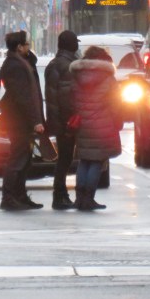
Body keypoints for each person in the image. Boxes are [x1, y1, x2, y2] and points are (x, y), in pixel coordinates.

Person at [0, 31, 46, 211]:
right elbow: (23, 97)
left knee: (24, 159)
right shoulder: (14, 66)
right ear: (19, 47)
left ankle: (20, 195)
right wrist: (35, 121)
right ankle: (9, 197)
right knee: (17, 159)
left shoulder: (21, 63)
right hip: (18, 121)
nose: (29, 48)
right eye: (26, 45)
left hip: (22, 120)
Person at [70, 45, 122, 211]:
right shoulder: (108, 78)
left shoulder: (77, 76)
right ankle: (89, 198)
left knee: (84, 160)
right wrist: (118, 122)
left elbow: (72, 98)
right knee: (96, 162)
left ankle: (79, 198)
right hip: (103, 124)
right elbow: (116, 104)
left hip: (83, 124)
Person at [44, 30, 79, 210]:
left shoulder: (57, 64)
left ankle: (61, 194)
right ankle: (59, 195)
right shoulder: (66, 66)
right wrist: (65, 122)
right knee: (64, 159)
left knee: (65, 159)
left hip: (61, 120)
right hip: (65, 121)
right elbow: (63, 98)